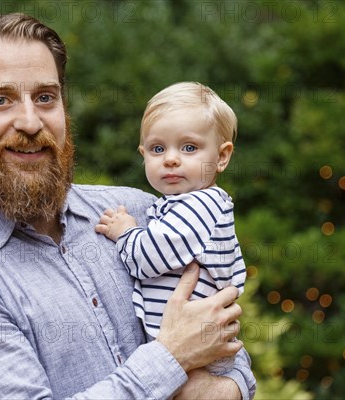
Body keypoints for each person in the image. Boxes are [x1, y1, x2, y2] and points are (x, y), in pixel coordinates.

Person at [0, 13, 256, 399]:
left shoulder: (138, 211)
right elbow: (185, 347)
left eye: (45, 97)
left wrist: (224, 389)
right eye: (0, 100)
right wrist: (170, 358)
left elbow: (224, 343)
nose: (29, 121)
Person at [95, 82, 247, 376]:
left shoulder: (202, 205)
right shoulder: (179, 205)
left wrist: (125, 231)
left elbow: (149, 258)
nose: (171, 158)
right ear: (143, 154)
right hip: (184, 351)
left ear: (222, 156)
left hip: (201, 357)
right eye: (157, 148)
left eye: (189, 147)